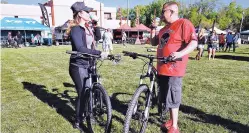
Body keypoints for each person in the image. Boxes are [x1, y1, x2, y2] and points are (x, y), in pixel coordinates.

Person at [151, 2, 197, 133]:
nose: (161, 14)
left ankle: (175, 127)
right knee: (165, 96)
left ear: (172, 11)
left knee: (173, 95)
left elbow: (193, 42)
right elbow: (154, 42)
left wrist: (180, 53)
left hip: (174, 68)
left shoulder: (184, 23)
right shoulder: (163, 29)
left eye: (163, 11)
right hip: (161, 67)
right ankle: (171, 120)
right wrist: (153, 28)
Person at [68, 2, 108, 130]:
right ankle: (78, 120)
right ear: (80, 13)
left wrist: (95, 24)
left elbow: (98, 37)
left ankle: (87, 111)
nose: (89, 13)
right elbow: (80, 48)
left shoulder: (88, 27)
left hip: (89, 63)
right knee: (83, 93)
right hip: (78, 65)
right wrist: (98, 52)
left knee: (90, 90)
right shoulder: (75, 29)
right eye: (86, 12)